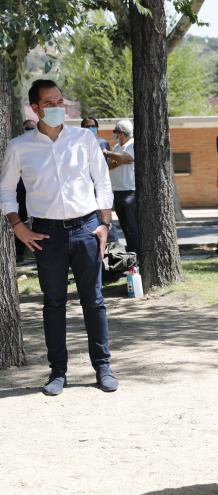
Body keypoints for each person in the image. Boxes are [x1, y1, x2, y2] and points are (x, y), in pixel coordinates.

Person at [0, 79, 117, 395]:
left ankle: (103, 367)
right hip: (45, 234)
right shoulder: (20, 146)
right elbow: (6, 189)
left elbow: (102, 183)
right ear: (35, 108)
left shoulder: (83, 139)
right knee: (53, 304)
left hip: (86, 229)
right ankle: (57, 372)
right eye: (49, 103)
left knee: (93, 301)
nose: (57, 108)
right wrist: (17, 225)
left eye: (60, 102)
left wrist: (104, 224)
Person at [102, 120, 139, 257]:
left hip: (130, 192)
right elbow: (111, 165)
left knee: (132, 225)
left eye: (116, 132)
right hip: (117, 191)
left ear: (122, 132)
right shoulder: (117, 146)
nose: (115, 135)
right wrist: (118, 160)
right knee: (124, 226)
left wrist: (106, 153)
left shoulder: (133, 144)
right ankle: (131, 252)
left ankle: (137, 253)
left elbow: (127, 158)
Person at [14, 120, 36, 263]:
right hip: (21, 190)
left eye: (32, 128)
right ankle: (20, 253)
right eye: (27, 128)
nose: (29, 130)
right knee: (21, 220)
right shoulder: (18, 146)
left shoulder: (43, 147)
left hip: (37, 191)